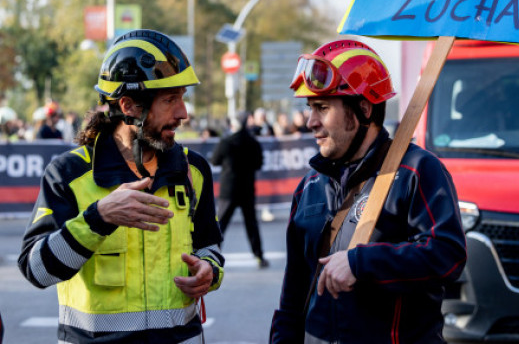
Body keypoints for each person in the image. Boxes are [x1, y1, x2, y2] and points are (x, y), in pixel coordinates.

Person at [17, 30, 224, 343]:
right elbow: (38, 271)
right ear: (129, 106)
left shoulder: (193, 169)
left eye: (182, 98)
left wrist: (208, 271)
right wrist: (98, 218)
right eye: (170, 100)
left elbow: (211, 247)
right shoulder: (68, 174)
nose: (183, 113)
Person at [270, 40, 467, 344]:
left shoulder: (416, 171)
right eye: (310, 108)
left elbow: (448, 255)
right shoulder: (309, 187)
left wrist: (362, 263)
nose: (311, 122)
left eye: (322, 108)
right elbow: (293, 294)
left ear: (363, 108)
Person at [211, 110, 268, 268]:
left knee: (221, 225)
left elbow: (215, 160)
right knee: (251, 225)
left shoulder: (226, 142)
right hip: (247, 189)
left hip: (229, 189)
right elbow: (258, 163)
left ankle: (212, 256)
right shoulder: (253, 142)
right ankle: (259, 256)